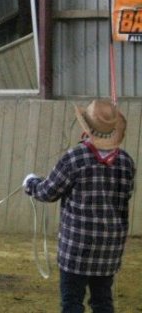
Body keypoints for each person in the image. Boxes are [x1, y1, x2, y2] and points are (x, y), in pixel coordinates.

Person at [23, 99, 135, 313]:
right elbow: (125, 196)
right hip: (109, 248)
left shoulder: (75, 157)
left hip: (77, 247)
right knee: (103, 302)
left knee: (72, 303)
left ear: (87, 128)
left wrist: (30, 183)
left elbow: (47, 192)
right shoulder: (126, 162)